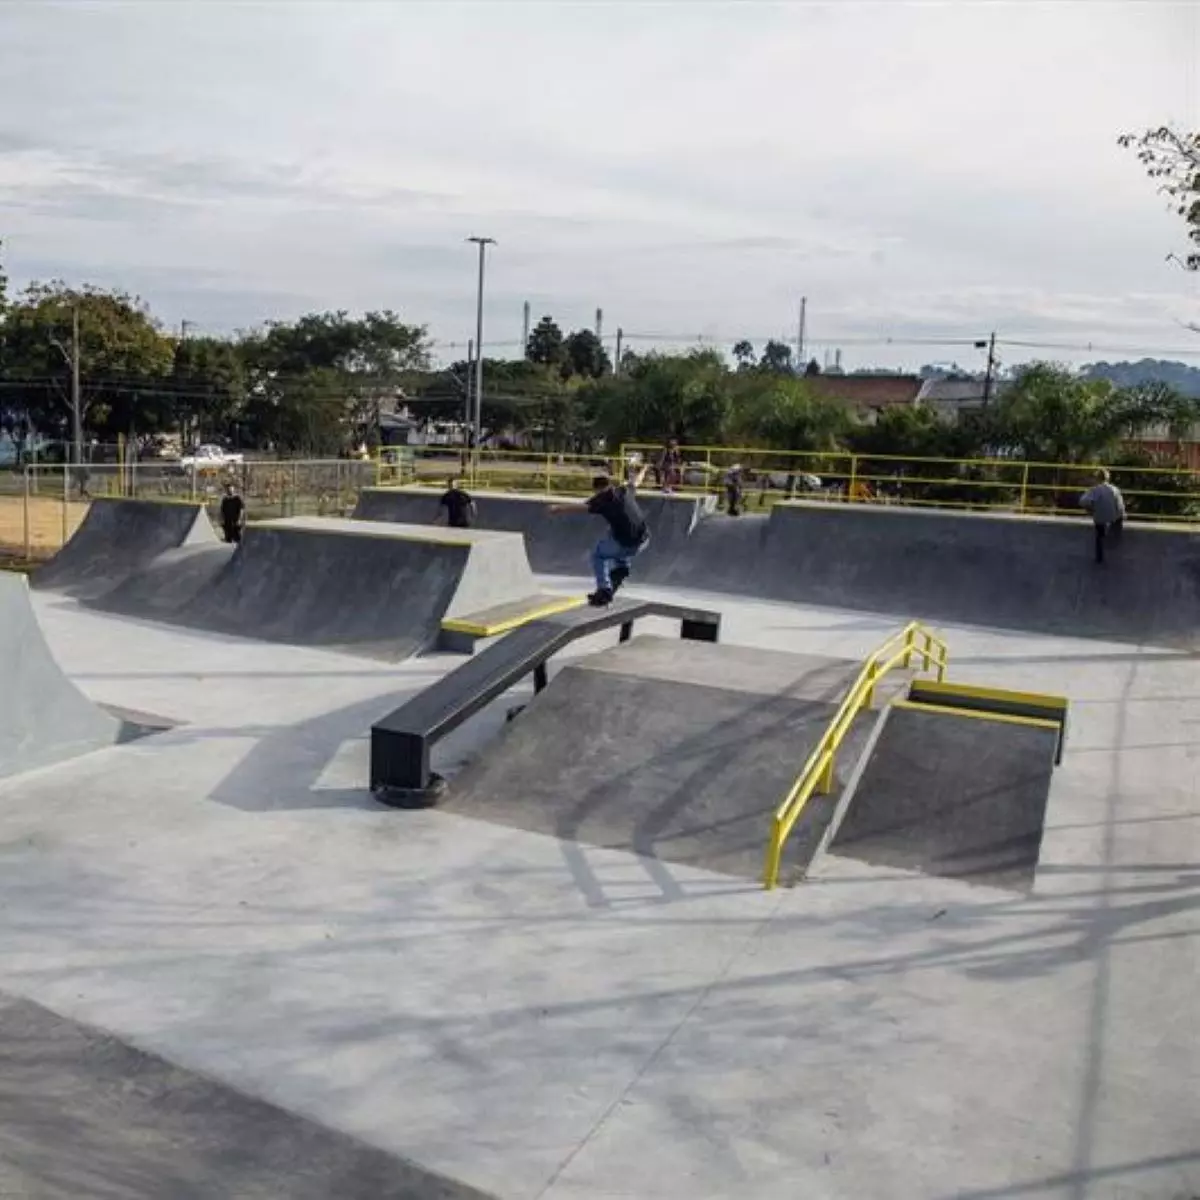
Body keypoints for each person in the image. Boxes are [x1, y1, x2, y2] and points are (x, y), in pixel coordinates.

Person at [549, 463, 650, 606]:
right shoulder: (623, 490)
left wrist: (557, 508)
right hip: (644, 539)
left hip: (627, 545)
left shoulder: (600, 500)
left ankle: (604, 590)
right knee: (612, 531)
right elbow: (636, 481)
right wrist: (644, 469)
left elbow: (580, 507)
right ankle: (622, 566)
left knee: (598, 554)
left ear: (596, 490)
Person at [1080, 468, 1125, 564]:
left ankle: (1099, 556)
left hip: (1099, 517)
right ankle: (1114, 538)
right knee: (1117, 518)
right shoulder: (1115, 489)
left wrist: (1090, 509)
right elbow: (1120, 506)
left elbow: (1083, 501)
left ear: (1097, 478)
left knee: (1099, 535)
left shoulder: (1095, 490)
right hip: (1113, 516)